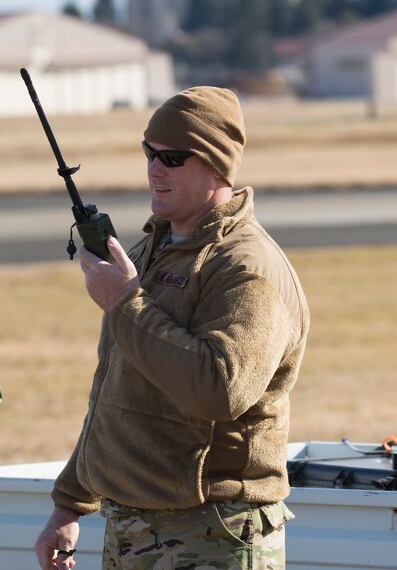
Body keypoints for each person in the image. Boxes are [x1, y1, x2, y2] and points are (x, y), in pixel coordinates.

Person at [34, 86, 309, 570]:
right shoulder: (147, 252)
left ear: (218, 164)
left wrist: (125, 302)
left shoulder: (246, 268)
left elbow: (220, 391)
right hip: (132, 529)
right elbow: (115, 389)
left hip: (213, 533)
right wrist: (69, 504)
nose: (154, 169)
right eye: (150, 153)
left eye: (174, 158)